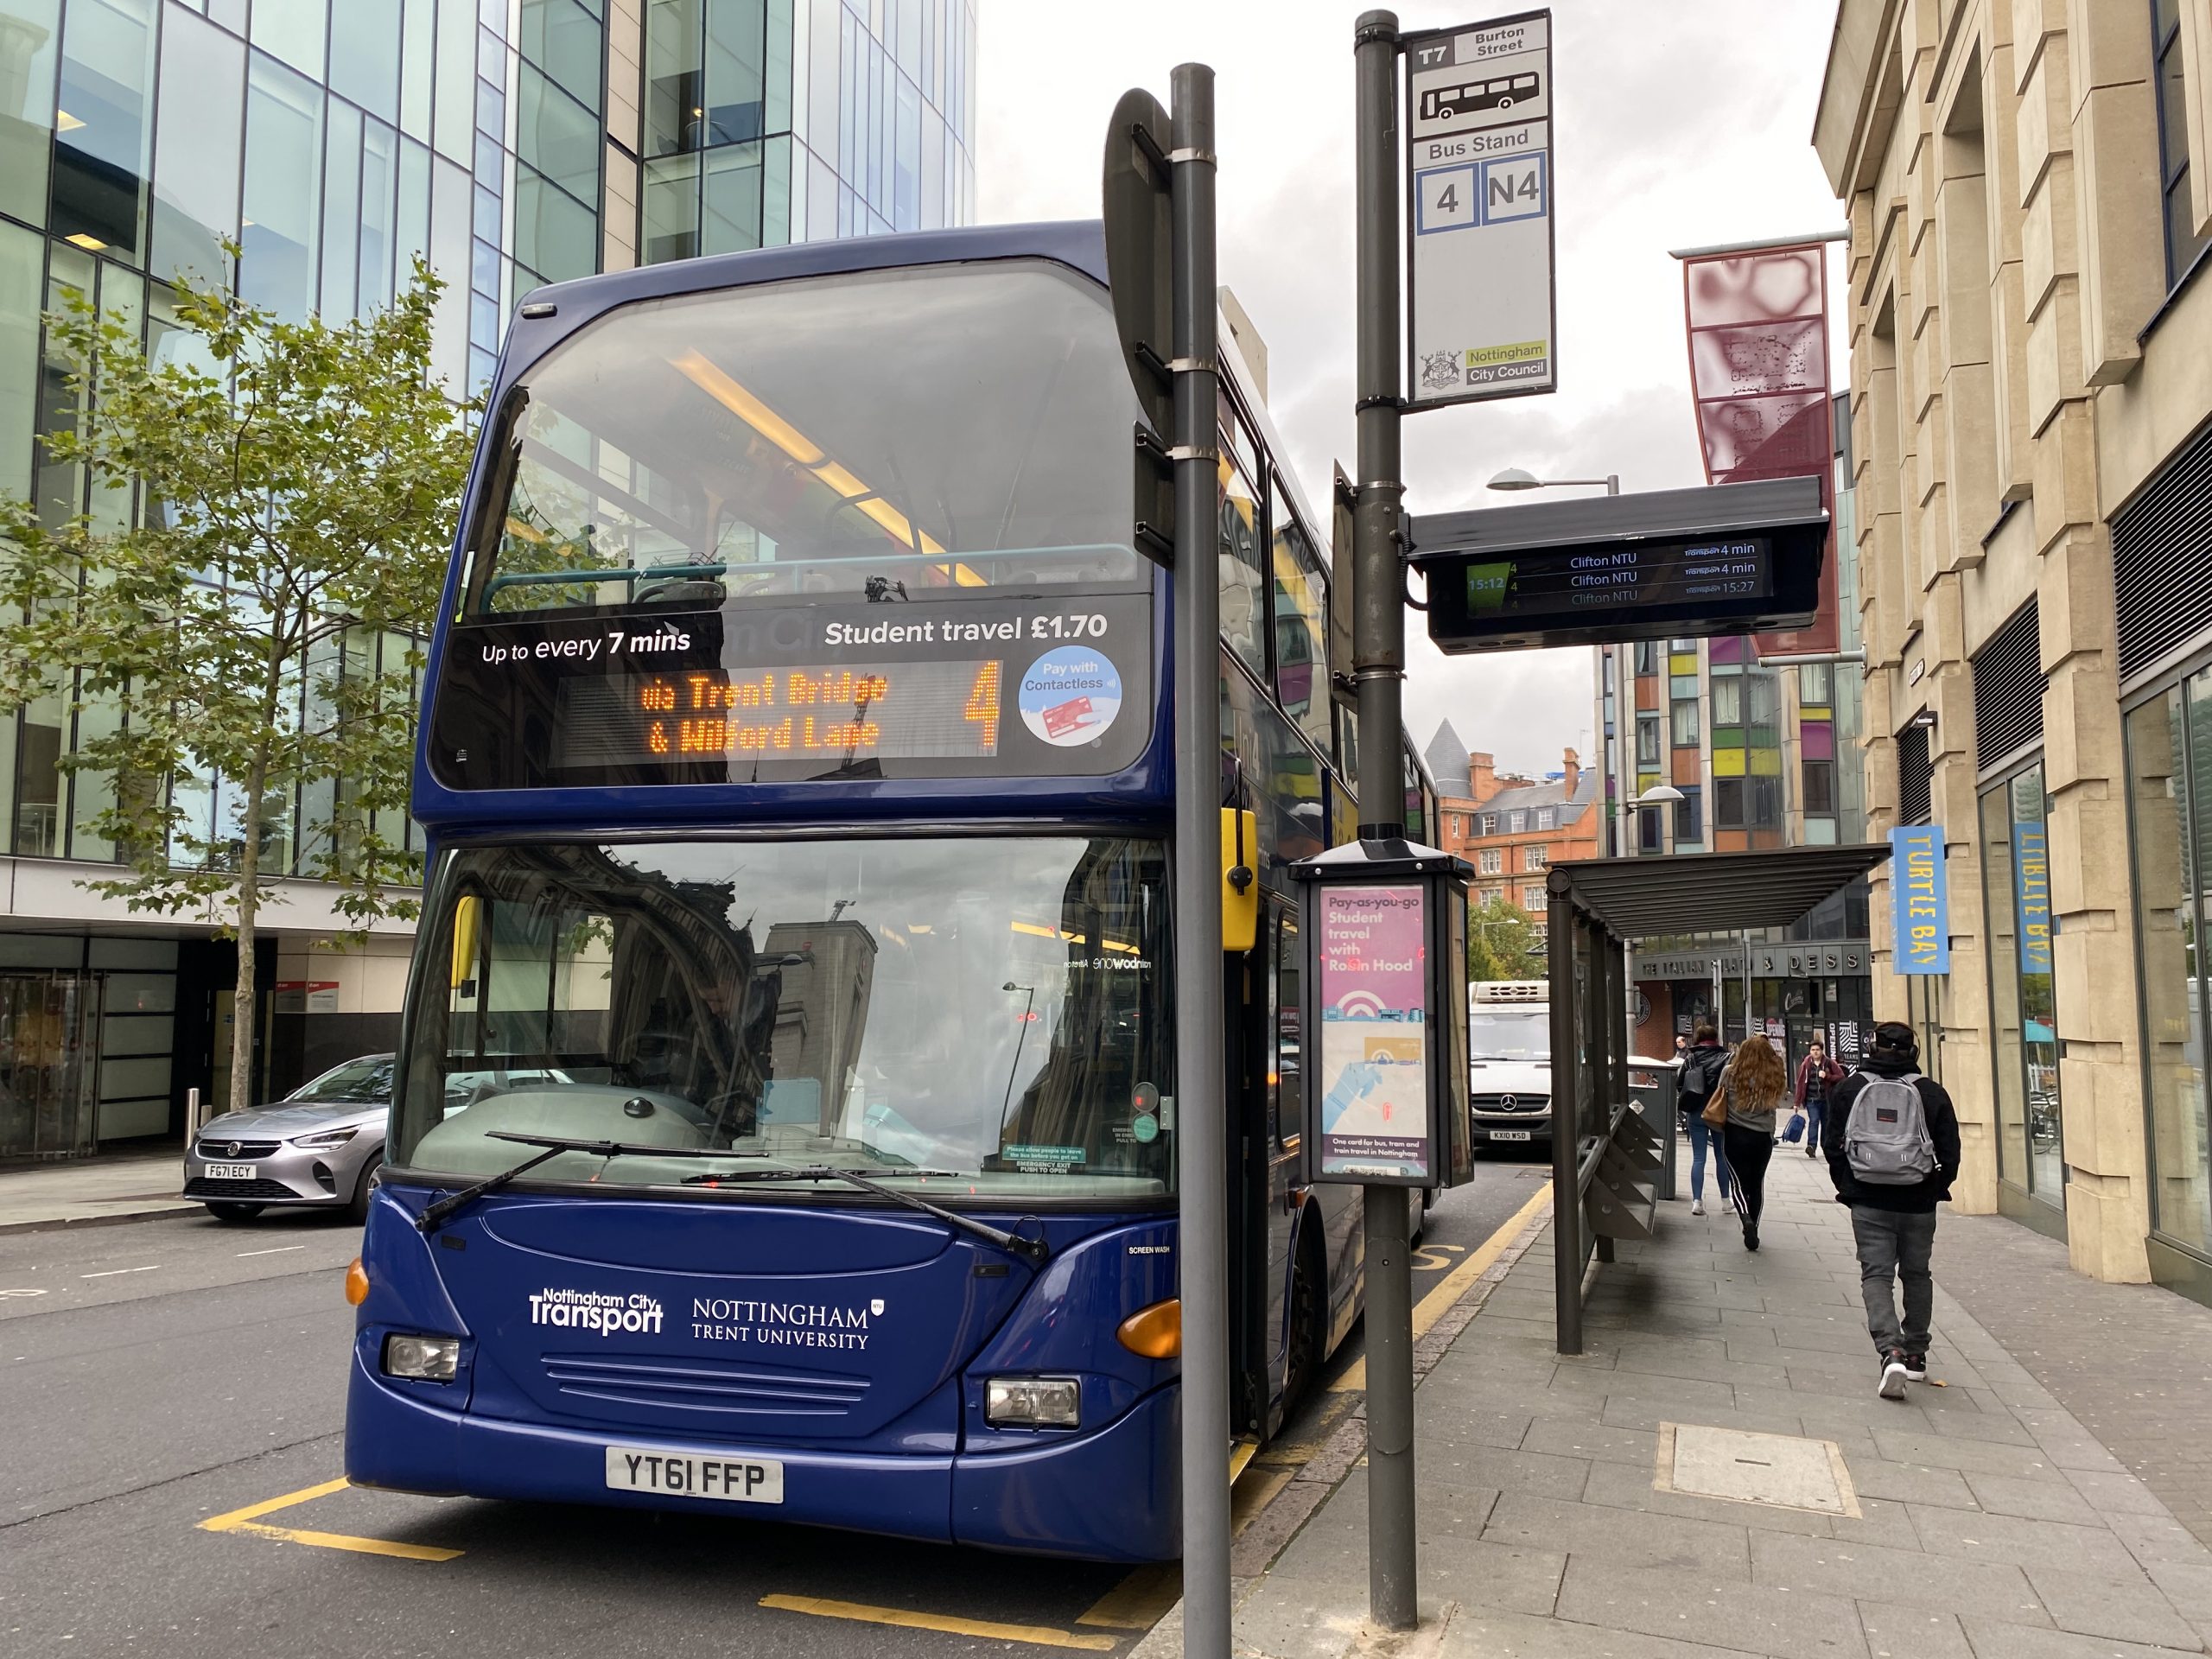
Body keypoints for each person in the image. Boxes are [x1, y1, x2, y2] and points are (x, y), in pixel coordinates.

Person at [1823, 1021, 1960, 1400]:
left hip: (1868, 1200)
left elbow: (1833, 1145)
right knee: (1917, 1274)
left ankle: (1891, 1350)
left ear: (1873, 1048)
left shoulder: (1851, 1089)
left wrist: (1848, 1186)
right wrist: (1936, 1188)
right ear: (1913, 1052)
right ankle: (1916, 1354)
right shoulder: (1931, 1093)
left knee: (1877, 1276)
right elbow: (1950, 1152)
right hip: (1918, 1202)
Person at [1718, 1033, 1788, 1251]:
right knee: (1757, 1183)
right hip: (1763, 1137)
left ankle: (1745, 1218)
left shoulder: (1731, 1072)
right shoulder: (1775, 1075)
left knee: (1737, 1182)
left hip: (1735, 1133)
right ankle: (1755, 1227)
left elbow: (1719, 1095)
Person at [1674, 1024, 1732, 1217]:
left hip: (1696, 1112)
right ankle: (1725, 1201)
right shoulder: (1726, 1057)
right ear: (1715, 1038)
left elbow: (1679, 1084)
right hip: (1718, 1113)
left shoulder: (1690, 1058)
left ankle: (1697, 1202)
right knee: (1721, 1157)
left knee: (1699, 1158)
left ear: (1697, 1039)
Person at [1792, 1035, 1845, 1157]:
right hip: (1811, 1099)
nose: (1815, 1052)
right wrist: (1797, 1102)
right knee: (1814, 1121)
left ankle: (1825, 1145)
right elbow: (1800, 1083)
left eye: (1817, 1050)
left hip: (1825, 1099)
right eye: (1813, 1050)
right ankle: (1811, 1146)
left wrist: (1827, 1076)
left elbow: (1841, 1077)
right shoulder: (1806, 1064)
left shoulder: (1829, 1063)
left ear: (1822, 1051)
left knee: (1826, 1123)